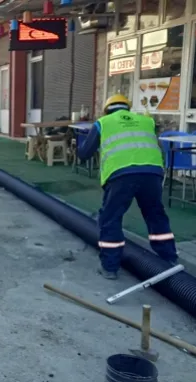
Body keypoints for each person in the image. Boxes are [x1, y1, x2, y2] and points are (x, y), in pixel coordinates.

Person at [78, 94, 178, 280]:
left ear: (107, 109)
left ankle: (109, 267)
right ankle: (168, 259)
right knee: (155, 215)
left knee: (111, 218)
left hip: (121, 175)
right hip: (152, 173)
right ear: (128, 108)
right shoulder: (146, 121)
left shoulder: (103, 123)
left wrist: (82, 141)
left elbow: (84, 154)